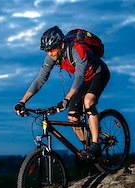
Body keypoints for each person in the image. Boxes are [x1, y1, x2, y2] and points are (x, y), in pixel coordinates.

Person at [13, 26, 110, 158]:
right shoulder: (51, 57)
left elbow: (79, 77)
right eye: (46, 50)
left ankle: (95, 145)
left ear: (61, 44)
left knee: (88, 101)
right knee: (72, 117)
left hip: (98, 73)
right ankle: (87, 150)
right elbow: (40, 80)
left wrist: (67, 99)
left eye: (52, 49)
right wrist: (22, 101)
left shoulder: (77, 49)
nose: (49, 53)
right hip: (83, 80)